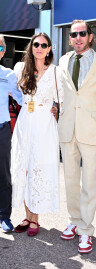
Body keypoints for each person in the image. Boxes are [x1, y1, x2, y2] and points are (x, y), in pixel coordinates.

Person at [58, 20, 96, 254]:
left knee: (90, 181)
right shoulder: (62, 60)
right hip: (67, 127)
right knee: (70, 179)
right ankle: (74, 219)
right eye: (73, 34)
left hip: (91, 128)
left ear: (91, 36)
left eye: (82, 33)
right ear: (69, 38)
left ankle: (86, 230)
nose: (77, 37)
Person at [11, 32, 62, 236]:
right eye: (36, 44)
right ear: (31, 48)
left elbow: (62, 98)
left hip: (44, 123)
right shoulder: (20, 68)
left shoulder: (56, 72)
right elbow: (14, 92)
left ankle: (36, 219)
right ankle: (26, 215)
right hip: (25, 121)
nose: (39, 48)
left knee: (38, 168)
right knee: (23, 167)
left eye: (44, 45)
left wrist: (56, 109)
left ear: (49, 49)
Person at [0, 35, 23, 233]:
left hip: (2, 129)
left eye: (0, 47)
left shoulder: (8, 74)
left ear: (3, 51)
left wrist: (13, 93)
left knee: (4, 175)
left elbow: (22, 99)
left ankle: (4, 217)